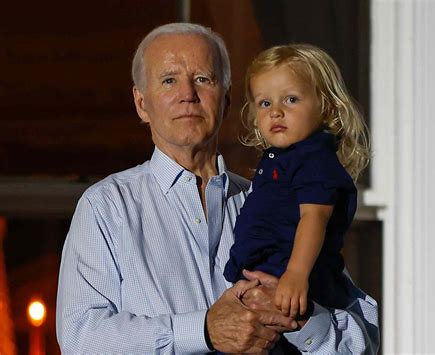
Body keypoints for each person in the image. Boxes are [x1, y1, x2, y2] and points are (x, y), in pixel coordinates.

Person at [56, 23, 379, 354]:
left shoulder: (280, 201)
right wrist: (204, 329)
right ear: (142, 103)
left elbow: (365, 342)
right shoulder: (106, 207)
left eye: (202, 80)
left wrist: (303, 320)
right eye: (169, 80)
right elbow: (81, 338)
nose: (187, 95)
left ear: (225, 100)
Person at [224, 44, 370, 322]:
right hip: (269, 277)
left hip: (293, 283)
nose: (275, 112)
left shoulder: (314, 160)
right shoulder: (282, 159)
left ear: (325, 106)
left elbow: (313, 217)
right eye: (265, 103)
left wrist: (296, 274)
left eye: (290, 99)